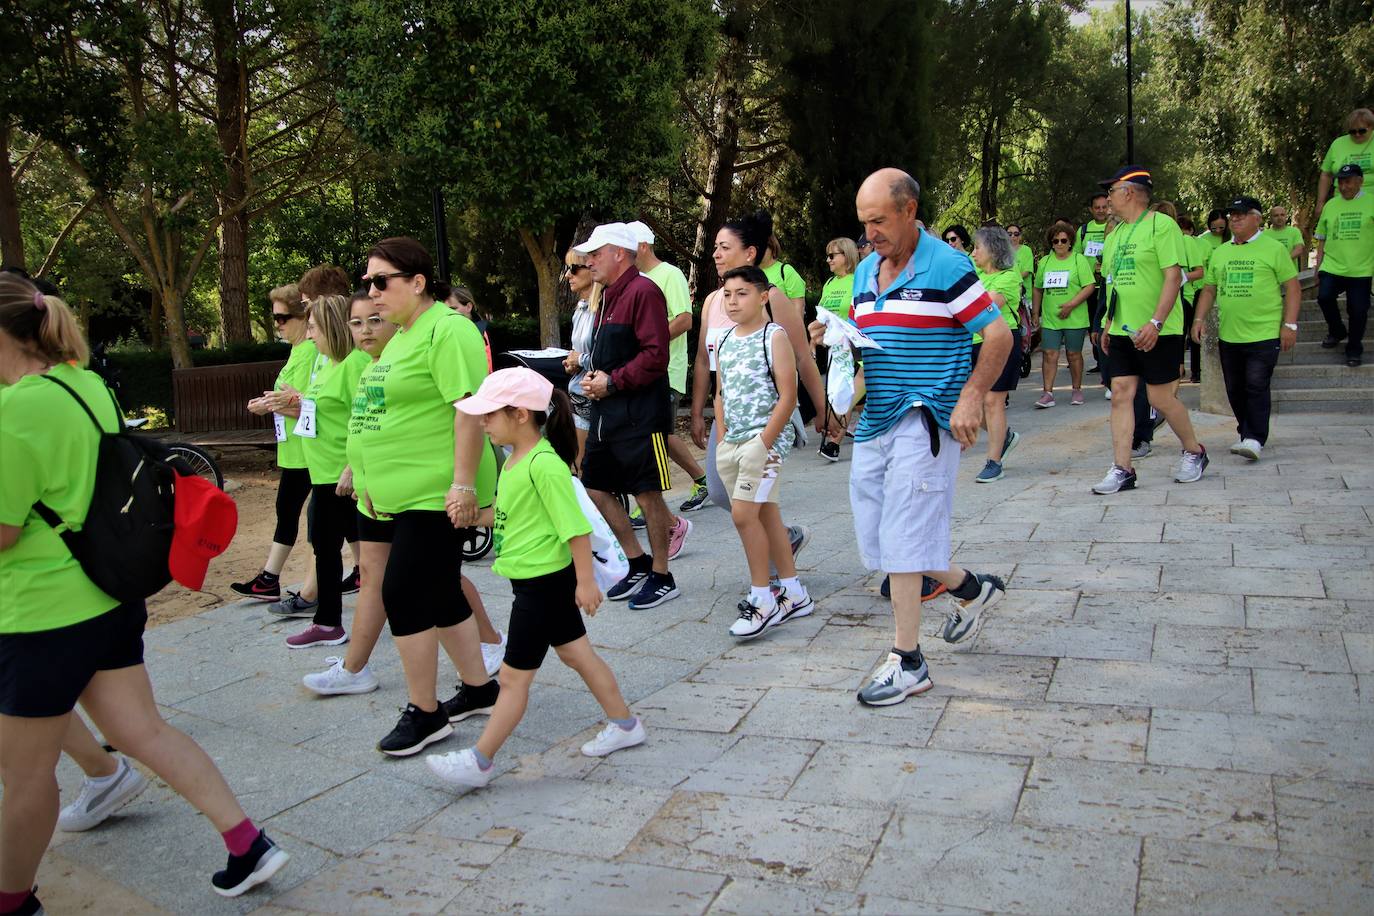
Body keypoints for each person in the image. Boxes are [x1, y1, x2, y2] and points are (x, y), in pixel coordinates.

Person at [0, 274, 289, 908]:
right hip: (107, 595)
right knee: (145, 730)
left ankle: (12, 898)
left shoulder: (17, 407)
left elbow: (5, 528)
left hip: (40, 613)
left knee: (24, 777)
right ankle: (247, 842)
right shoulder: (84, 384)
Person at [813, 169, 1009, 707]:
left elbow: (998, 334)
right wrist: (837, 388)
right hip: (875, 420)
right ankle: (971, 587)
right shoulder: (865, 274)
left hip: (925, 422)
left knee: (901, 541)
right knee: (881, 538)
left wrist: (971, 398)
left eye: (878, 221)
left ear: (909, 210)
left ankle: (909, 661)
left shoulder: (948, 266)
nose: (868, 234)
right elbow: (866, 343)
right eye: (863, 223)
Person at [426, 369, 646, 788]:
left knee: (511, 679)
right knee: (577, 655)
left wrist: (586, 582)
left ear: (521, 414)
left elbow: (575, 528)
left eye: (489, 414)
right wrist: (477, 517)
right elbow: (515, 517)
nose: (483, 422)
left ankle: (480, 761)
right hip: (535, 582)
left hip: (543, 585)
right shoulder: (516, 460)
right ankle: (625, 724)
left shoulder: (544, 466)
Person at [355, 237, 501, 756]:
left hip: (437, 493)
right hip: (403, 493)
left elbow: (469, 410)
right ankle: (481, 686)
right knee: (439, 591)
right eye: (367, 282)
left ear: (417, 282)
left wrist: (463, 485)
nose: (371, 292)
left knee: (403, 592)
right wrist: (369, 480)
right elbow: (383, 415)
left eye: (381, 281)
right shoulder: (401, 336)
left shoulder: (449, 329)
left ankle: (426, 711)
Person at [688, 211, 829, 568]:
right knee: (722, 492)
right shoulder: (712, 301)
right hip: (727, 414)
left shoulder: (772, 298)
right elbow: (705, 362)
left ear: (749, 253)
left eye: (724, 247)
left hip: (765, 415)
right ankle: (784, 540)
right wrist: (696, 412)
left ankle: (775, 578)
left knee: (749, 497)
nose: (716, 254)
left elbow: (801, 357)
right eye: (715, 248)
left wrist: (825, 412)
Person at [575, 222, 681, 610]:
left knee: (647, 494)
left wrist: (613, 382)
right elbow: (609, 353)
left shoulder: (643, 291)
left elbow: (656, 356)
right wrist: (593, 375)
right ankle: (637, 561)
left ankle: (662, 574)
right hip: (609, 413)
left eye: (595, 253)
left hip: (640, 416)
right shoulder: (607, 295)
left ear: (619, 253)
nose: (588, 261)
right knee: (595, 484)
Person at [1091, 166, 1209, 495]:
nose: (1108, 198)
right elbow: (1112, 284)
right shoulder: (1114, 235)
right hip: (1123, 330)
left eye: (1111, 191)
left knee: (1160, 397)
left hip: (1161, 329)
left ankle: (1194, 452)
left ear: (1129, 192)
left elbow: (1173, 277)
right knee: (1121, 395)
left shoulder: (1162, 226)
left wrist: (1156, 322)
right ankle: (1122, 468)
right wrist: (1107, 324)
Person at [714, 266, 813, 638]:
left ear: (763, 296)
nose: (733, 301)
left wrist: (762, 443)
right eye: (727, 294)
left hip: (765, 443)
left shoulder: (774, 336)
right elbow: (720, 394)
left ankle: (762, 598)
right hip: (733, 442)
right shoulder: (723, 339)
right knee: (767, 514)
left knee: (743, 515)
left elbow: (788, 395)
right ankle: (794, 592)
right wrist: (723, 438)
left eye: (742, 293)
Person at [282, 294, 372, 649]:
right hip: (323, 474)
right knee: (330, 545)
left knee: (332, 546)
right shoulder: (327, 363)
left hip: (339, 475)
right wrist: (289, 403)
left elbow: (364, 418)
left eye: (314, 328)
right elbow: (320, 413)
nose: (309, 335)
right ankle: (330, 621)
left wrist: (353, 466)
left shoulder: (354, 365)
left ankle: (329, 622)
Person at [1191, 196, 1300, 461]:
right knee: (1235, 388)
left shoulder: (1273, 248)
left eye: (1241, 214)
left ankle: (1255, 437)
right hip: (1230, 334)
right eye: (1232, 215)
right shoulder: (1221, 252)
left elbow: (1293, 287)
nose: (1235, 219)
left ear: (1257, 218)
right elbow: (1209, 288)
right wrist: (1198, 319)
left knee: (1256, 384)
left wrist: (1290, 324)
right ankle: (1246, 431)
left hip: (1264, 333)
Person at [233, 284, 318, 603]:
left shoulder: (310, 352)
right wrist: (270, 404)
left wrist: (272, 405)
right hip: (295, 448)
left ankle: (272, 579)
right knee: (295, 511)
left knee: (300, 512)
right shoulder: (298, 350)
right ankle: (270, 579)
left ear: (302, 316)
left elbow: (310, 404)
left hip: (307, 450)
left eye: (283, 318)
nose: (278, 324)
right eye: (275, 318)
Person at [626, 220, 707, 530]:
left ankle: (652, 505)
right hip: (645, 372)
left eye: (628, 247)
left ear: (643, 246)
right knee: (661, 434)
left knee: (656, 436)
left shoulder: (669, 275)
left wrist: (648, 342)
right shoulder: (637, 279)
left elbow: (685, 319)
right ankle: (701, 481)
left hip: (665, 371)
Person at [967, 226, 1023, 483]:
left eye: (978, 247)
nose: (973, 252)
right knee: (971, 405)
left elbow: (983, 309)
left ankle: (994, 461)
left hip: (1002, 342)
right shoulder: (973, 271)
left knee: (992, 401)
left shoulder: (1010, 277)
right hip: (974, 343)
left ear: (994, 250)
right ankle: (1005, 437)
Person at [1314, 163, 1374, 367]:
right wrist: (1318, 265)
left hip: (1361, 269)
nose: (1343, 186)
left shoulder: (1371, 202)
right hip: (1332, 265)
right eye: (1340, 182)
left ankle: (1354, 349)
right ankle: (1338, 330)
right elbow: (1322, 238)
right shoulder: (1331, 205)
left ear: (1360, 181)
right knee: (1324, 297)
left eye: (1348, 181)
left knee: (1358, 310)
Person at [1032, 222, 1096, 407]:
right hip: (1051, 318)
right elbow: (1037, 289)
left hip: (1074, 317)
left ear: (1070, 242)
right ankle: (1047, 393)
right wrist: (1036, 312)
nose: (1059, 244)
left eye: (1063, 240)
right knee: (1049, 353)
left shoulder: (1079, 260)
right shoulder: (1044, 262)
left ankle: (1076, 390)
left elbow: (1089, 286)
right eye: (1055, 241)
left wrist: (1071, 305)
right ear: (1051, 243)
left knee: (1073, 354)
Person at [817, 236, 860, 461]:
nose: (828, 260)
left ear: (847, 256)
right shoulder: (829, 284)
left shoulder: (856, 281)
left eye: (833, 255)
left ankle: (834, 443)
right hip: (833, 346)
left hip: (852, 346)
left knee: (845, 391)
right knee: (838, 391)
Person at [562, 249, 601, 469]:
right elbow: (580, 353)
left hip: (594, 398)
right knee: (578, 468)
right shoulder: (580, 309)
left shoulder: (602, 308)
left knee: (583, 470)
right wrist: (572, 363)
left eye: (574, 269)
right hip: (578, 395)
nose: (568, 275)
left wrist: (581, 359)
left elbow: (609, 356)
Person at [1076, 192, 1112, 374]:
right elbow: (1076, 256)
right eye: (1097, 207)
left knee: (1108, 321)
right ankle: (1099, 359)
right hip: (1089, 287)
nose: (1101, 211)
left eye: (1104, 207)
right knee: (1093, 325)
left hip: (1109, 284)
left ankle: (1109, 359)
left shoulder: (1115, 227)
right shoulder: (1083, 231)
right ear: (1091, 210)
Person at [1317, 108, 1374, 212]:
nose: (1357, 134)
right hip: (1342, 201)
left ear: (1371, 127)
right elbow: (1326, 175)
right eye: (1353, 131)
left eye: (1362, 131)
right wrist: (1320, 203)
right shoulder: (1337, 144)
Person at [1177, 216, 1209, 383]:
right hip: (1176, 295)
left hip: (1194, 293)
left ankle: (1196, 371)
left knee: (1194, 333)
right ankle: (1179, 368)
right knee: (1179, 334)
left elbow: (1200, 271)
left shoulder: (1190, 243)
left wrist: (1178, 277)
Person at [447, 286, 493, 372]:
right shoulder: (444, 333)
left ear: (468, 307)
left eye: (453, 309)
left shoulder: (485, 331)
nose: (447, 313)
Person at [1267, 205, 1306, 271]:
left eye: (1282, 215)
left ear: (1286, 217)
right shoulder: (1264, 234)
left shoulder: (1294, 231)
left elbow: (1299, 249)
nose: (1279, 218)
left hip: (1290, 274)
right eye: (1276, 215)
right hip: (1271, 274)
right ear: (1271, 218)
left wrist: (1283, 261)